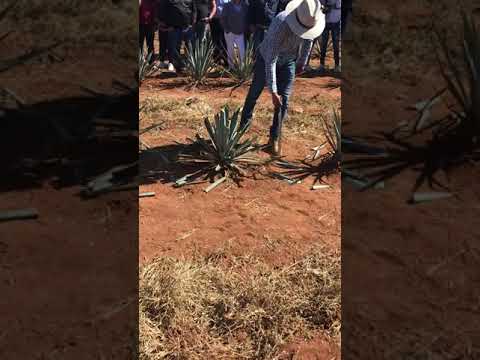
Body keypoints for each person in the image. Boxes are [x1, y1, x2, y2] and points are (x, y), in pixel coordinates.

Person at [240, 0, 325, 156]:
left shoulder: (310, 21)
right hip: (265, 58)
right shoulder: (280, 23)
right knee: (255, 91)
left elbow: (308, 42)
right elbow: (271, 59)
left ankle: (274, 137)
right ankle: (243, 123)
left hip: (289, 60)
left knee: (284, 99)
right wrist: (273, 91)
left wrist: (302, 63)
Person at [158, 0, 197, 73]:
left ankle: (188, 64)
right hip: (174, 28)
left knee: (190, 47)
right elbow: (163, 11)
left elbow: (194, 11)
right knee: (173, 48)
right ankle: (174, 64)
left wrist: (192, 24)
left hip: (187, 27)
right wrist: (166, 25)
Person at [221, 0, 249, 68]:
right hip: (230, 32)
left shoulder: (245, 5)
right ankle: (231, 68)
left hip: (240, 32)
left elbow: (247, 18)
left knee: (241, 51)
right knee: (230, 51)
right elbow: (223, 18)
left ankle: (241, 69)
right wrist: (227, 29)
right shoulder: (227, 5)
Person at [319, 0, 340, 72]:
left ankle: (337, 65)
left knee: (336, 44)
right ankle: (321, 65)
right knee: (323, 44)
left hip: (336, 21)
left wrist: (330, 7)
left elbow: (339, 5)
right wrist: (323, 8)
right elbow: (320, 5)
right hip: (325, 22)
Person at [210, 0, 230, 65]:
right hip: (215, 20)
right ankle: (217, 60)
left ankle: (226, 59)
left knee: (225, 41)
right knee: (215, 40)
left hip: (225, 21)